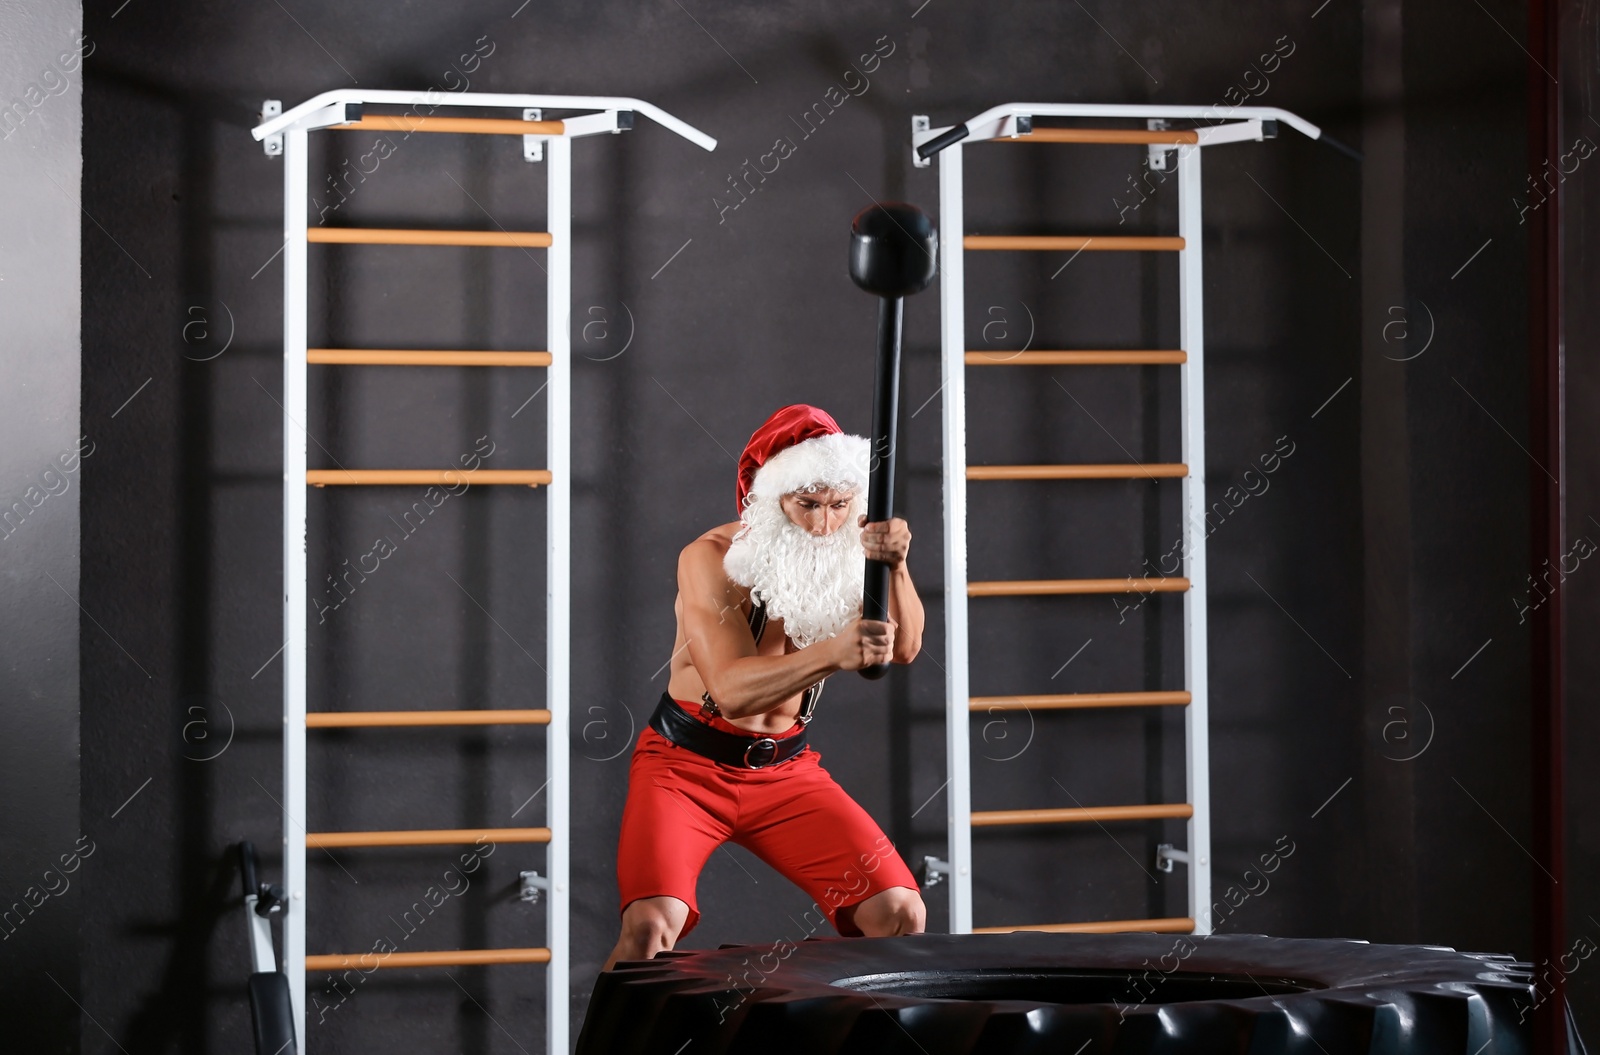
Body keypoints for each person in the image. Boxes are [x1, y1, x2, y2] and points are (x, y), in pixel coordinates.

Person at [603, 404, 926, 970]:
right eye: (807, 504)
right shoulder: (710, 558)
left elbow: (903, 648)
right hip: (686, 768)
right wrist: (834, 652)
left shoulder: (852, 550)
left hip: (786, 773)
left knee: (899, 915)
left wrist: (895, 568)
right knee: (649, 929)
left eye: (839, 504)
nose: (825, 524)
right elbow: (731, 690)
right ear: (771, 499)